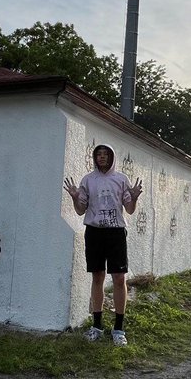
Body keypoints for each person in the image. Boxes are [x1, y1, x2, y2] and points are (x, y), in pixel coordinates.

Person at [63, 144, 143, 346]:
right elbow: (81, 210)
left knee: (119, 278)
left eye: (106, 155)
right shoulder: (88, 180)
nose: (102, 158)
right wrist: (74, 198)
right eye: (98, 155)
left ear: (112, 157)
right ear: (94, 158)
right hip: (95, 232)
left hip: (116, 232)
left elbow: (130, 209)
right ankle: (97, 326)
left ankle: (118, 329)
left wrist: (133, 197)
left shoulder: (121, 179)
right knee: (97, 276)